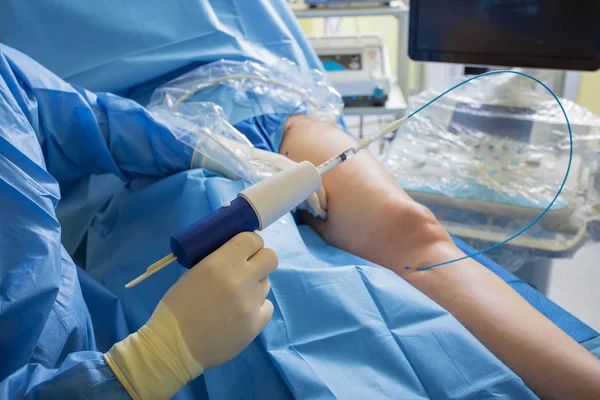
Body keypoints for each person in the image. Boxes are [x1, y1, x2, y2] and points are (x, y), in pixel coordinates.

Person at [1, 1, 599, 399]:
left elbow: (55, 111)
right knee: (287, 323)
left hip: (242, 109)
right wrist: (145, 366)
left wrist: (205, 146)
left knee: (410, 229)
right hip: (124, 182)